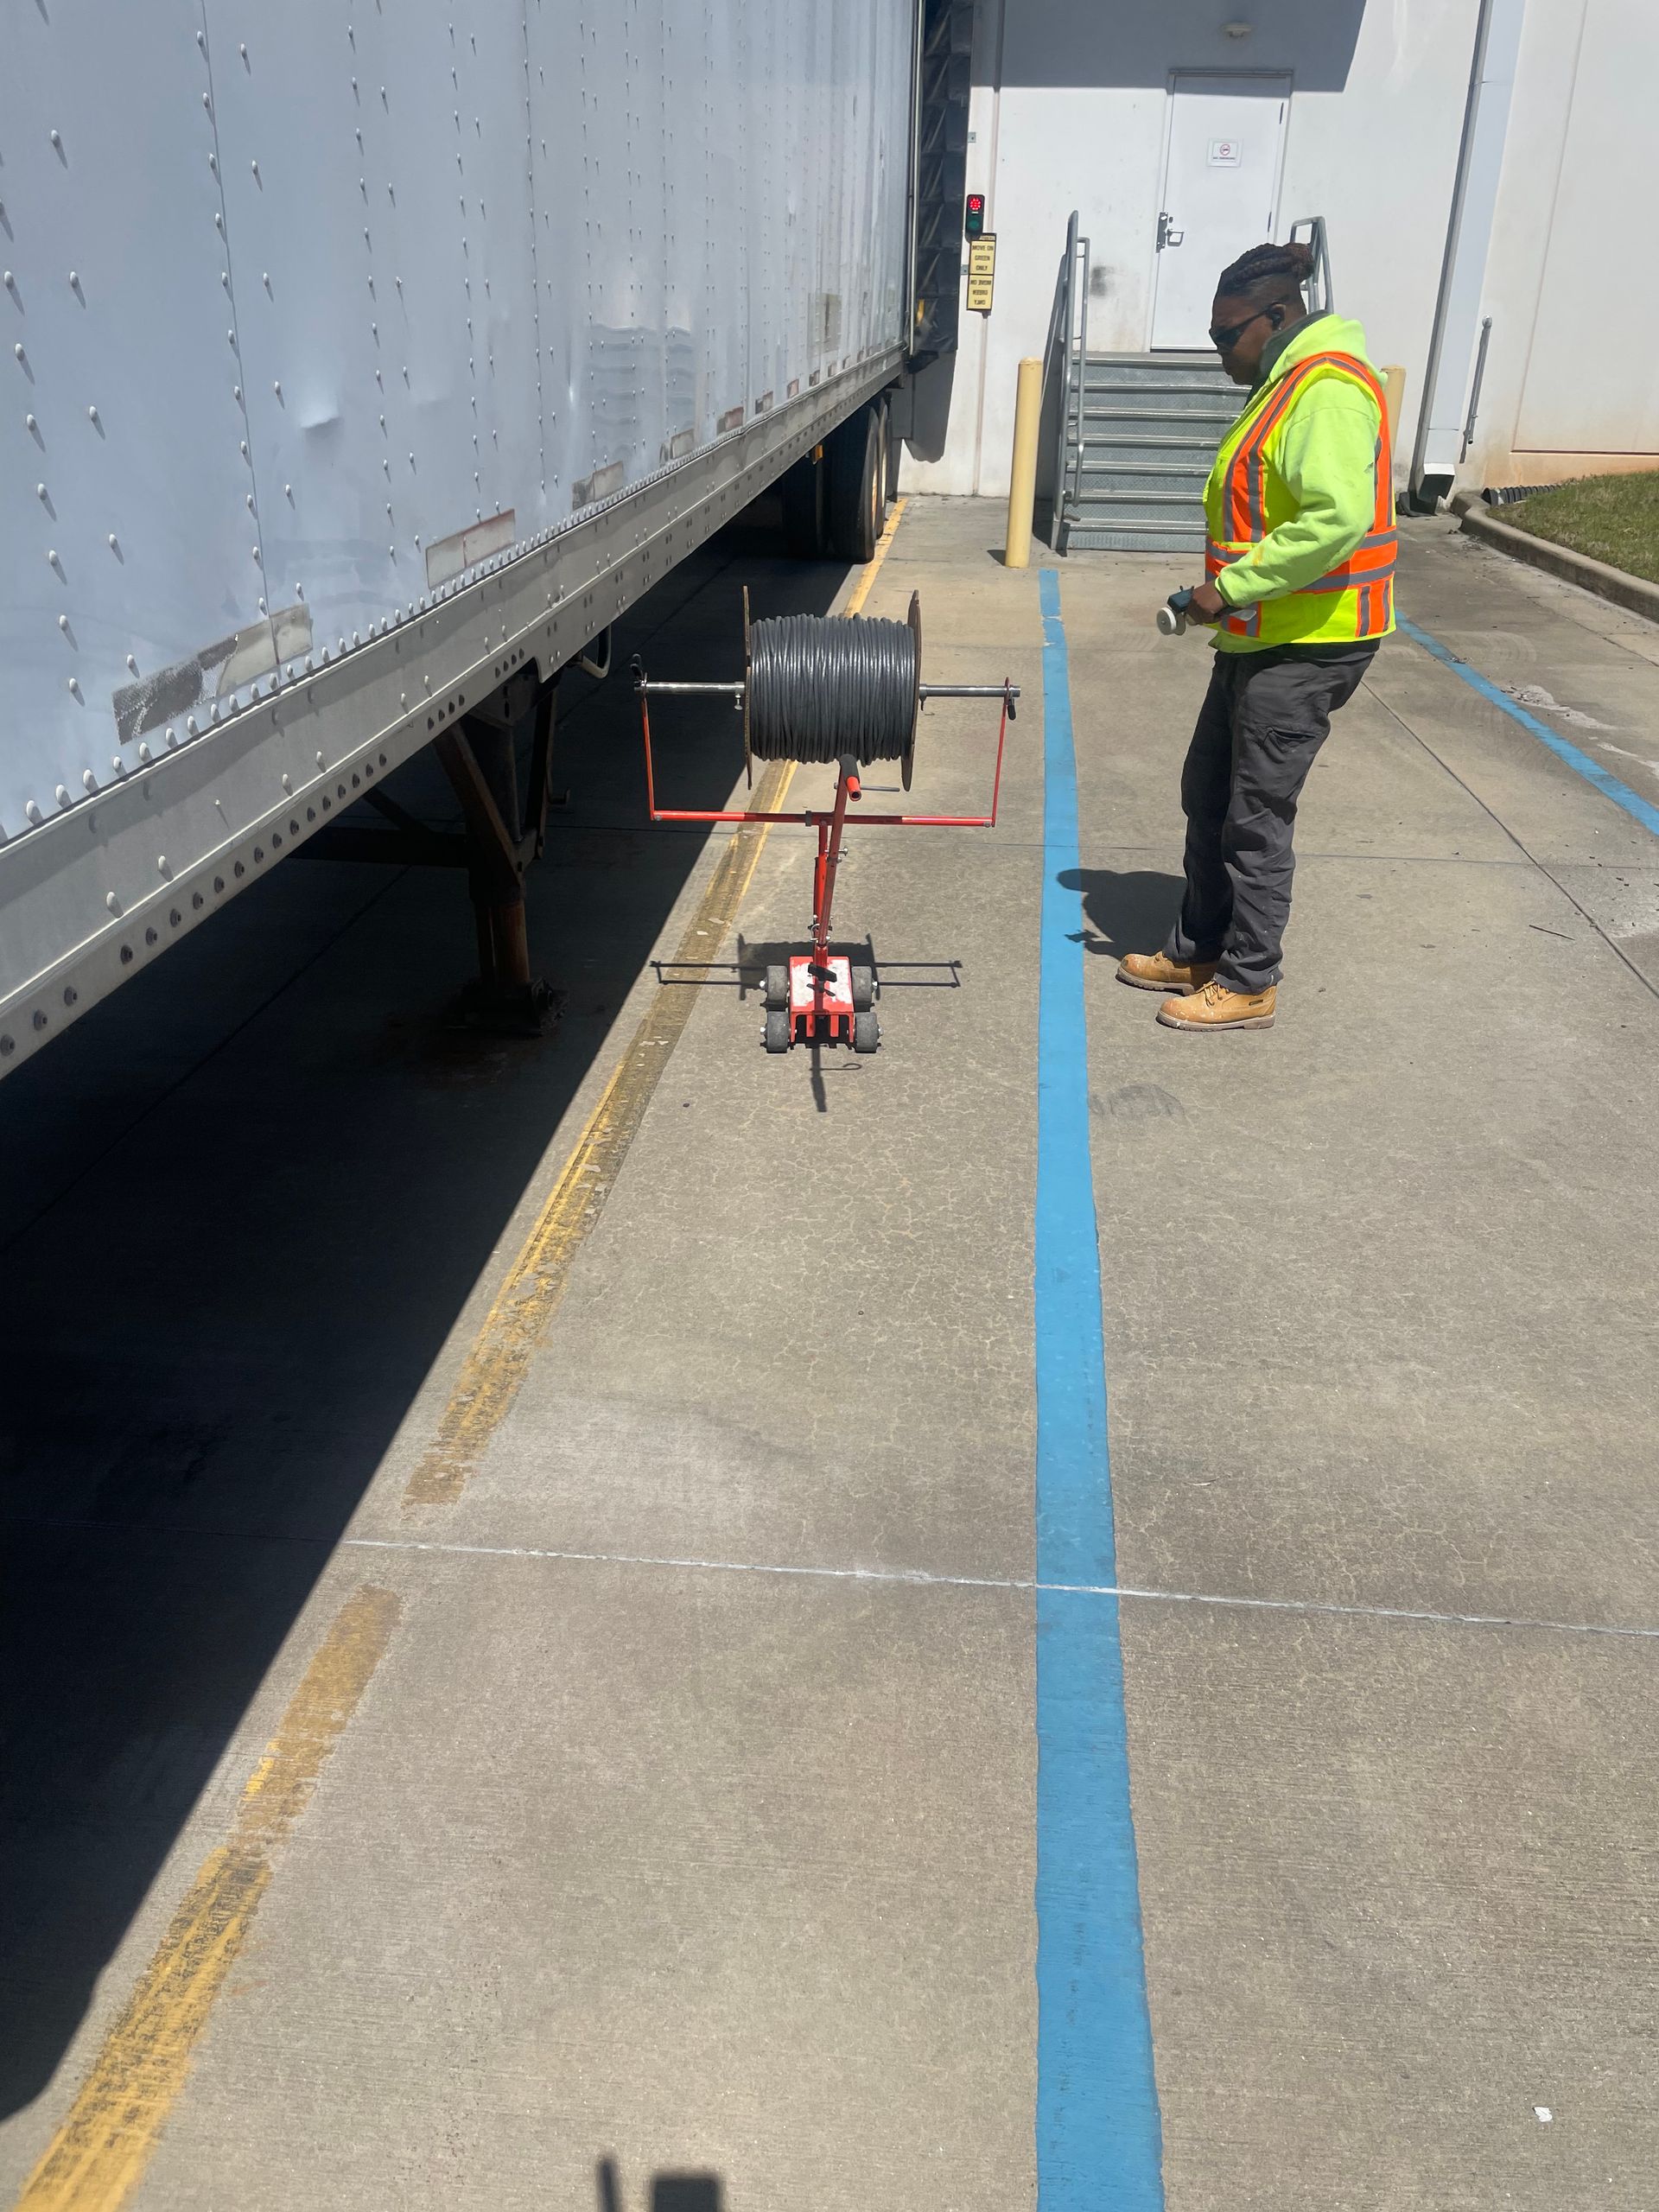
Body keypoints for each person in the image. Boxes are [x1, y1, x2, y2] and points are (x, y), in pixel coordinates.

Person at [1118, 238, 1396, 1032]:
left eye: (1224, 335)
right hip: (1259, 633)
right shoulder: (1287, 381)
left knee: (1255, 815)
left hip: (1311, 641)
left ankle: (1249, 980)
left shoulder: (1329, 391)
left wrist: (1226, 588)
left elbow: (1334, 519)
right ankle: (1200, 944)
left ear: (1276, 317)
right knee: (1206, 792)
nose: (1218, 353)